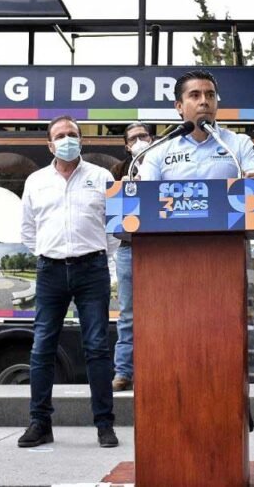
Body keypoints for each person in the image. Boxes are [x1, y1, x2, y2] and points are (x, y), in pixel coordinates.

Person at [18, 115, 120, 449]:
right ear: (50, 144)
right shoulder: (35, 180)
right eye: (60, 135)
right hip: (50, 270)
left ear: (81, 140)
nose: (67, 140)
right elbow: (28, 230)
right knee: (42, 347)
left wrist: (96, 254)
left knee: (96, 347)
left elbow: (114, 229)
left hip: (92, 269)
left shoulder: (101, 177)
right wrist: (51, 253)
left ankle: (104, 424)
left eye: (72, 134)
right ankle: (40, 422)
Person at [137, 69, 254, 207]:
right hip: (173, 229)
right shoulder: (159, 150)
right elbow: (144, 196)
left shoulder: (240, 143)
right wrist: (132, 189)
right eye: (195, 95)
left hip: (230, 229)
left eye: (210, 95)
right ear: (179, 106)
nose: (204, 101)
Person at [109, 121, 153, 392]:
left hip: (160, 248)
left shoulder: (166, 167)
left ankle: (154, 366)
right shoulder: (117, 171)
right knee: (128, 314)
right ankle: (123, 371)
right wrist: (126, 191)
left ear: (153, 139)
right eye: (133, 138)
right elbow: (115, 220)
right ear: (126, 145)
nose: (139, 141)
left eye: (143, 136)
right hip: (128, 248)